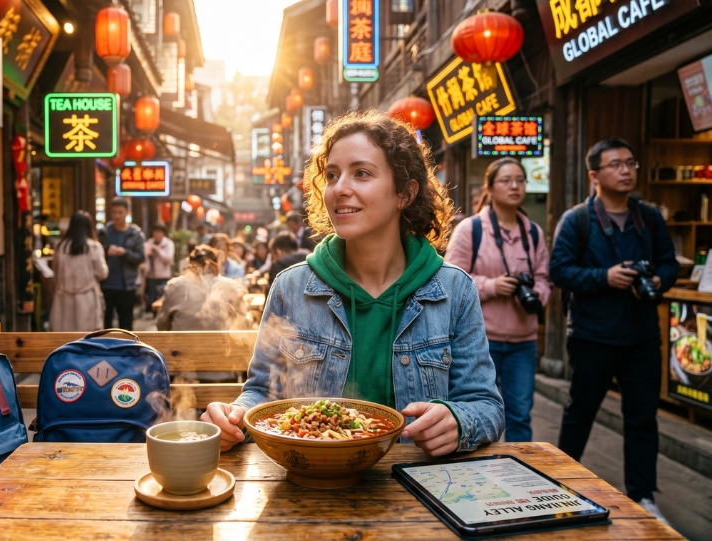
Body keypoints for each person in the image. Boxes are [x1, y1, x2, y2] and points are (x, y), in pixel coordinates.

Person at [202, 109, 504, 456]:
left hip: (419, 488)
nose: (339, 189)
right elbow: (262, 393)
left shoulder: (454, 290)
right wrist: (235, 415)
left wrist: (458, 419)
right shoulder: (291, 287)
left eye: (361, 173)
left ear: (404, 193)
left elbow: (486, 406)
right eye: (332, 175)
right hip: (310, 479)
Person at [550, 138, 678, 519]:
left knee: (642, 418)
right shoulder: (578, 219)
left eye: (630, 163)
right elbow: (560, 271)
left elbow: (669, 263)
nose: (626, 170)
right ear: (594, 175)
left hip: (641, 336)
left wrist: (657, 281)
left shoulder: (648, 217)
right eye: (616, 164)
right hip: (592, 335)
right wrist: (604, 277)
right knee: (580, 412)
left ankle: (643, 496)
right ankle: (558, 484)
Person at [445, 157, 550, 442]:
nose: (514, 186)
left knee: (519, 415)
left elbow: (543, 278)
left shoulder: (532, 233)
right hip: (480, 341)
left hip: (522, 341)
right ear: (490, 188)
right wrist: (493, 286)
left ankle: (521, 478)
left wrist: (536, 295)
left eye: (520, 180)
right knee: (474, 414)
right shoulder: (471, 229)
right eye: (506, 180)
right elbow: (451, 281)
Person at [156, 245, 250, 332]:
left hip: (181, 348)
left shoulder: (175, 285)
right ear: (216, 264)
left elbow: (162, 324)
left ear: (190, 264)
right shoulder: (231, 285)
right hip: (222, 348)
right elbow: (244, 322)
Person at [49, 211, 109, 332]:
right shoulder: (93, 247)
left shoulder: (60, 247)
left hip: (63, 300)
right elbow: (102, 273)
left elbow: (56, 272)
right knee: (87, 339)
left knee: (65, 339)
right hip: (87, 299)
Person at [98, 197, 146, 330]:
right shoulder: (104, 232)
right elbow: (96, 255)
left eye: (120, 212)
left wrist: (124, 253)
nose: (117, 215)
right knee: (105, 324)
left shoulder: (135, 234)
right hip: (105, 284)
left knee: (126, 324)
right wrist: (107, 251)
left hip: (126, 286)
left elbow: (140, 257)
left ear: (127, 212)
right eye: (114, 212)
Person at [144, 224, 175, 316]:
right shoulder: (148, 243)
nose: (157, 234)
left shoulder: (168, 244)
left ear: (163, 233)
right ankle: (153, 315)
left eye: (159, 232)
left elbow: (169, 258)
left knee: (163, 297)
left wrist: (158, 250)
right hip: (150, 274)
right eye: (155, 232)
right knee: (151, 297)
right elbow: (143, 257)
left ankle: (163, 315)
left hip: (163, 275)